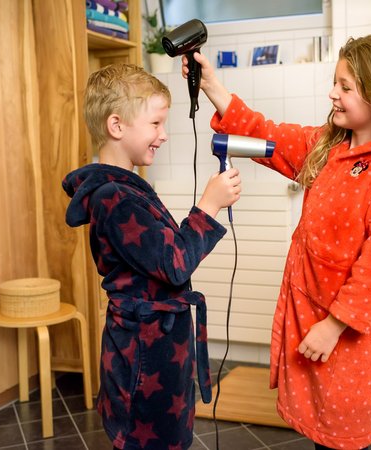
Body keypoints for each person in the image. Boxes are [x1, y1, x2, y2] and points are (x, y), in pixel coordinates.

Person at [182, 34, 371, 450]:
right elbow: (267, 134)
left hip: (342, 332)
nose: (332, 94)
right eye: (334, 83)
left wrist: (333, 326)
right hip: (309, 315)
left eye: (345, 87)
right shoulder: (328, 146)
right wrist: (212, 86)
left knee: (341, 435)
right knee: (318, 429)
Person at [62, 63, 241, 450]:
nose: (164, 134)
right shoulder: (113, 196)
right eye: (156, 123)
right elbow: (175, 264)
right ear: (117, 126)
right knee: (148, 439)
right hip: (144, 353)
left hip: (160, 346)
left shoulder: (129, 187)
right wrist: (207, 208)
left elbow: (164, 253)